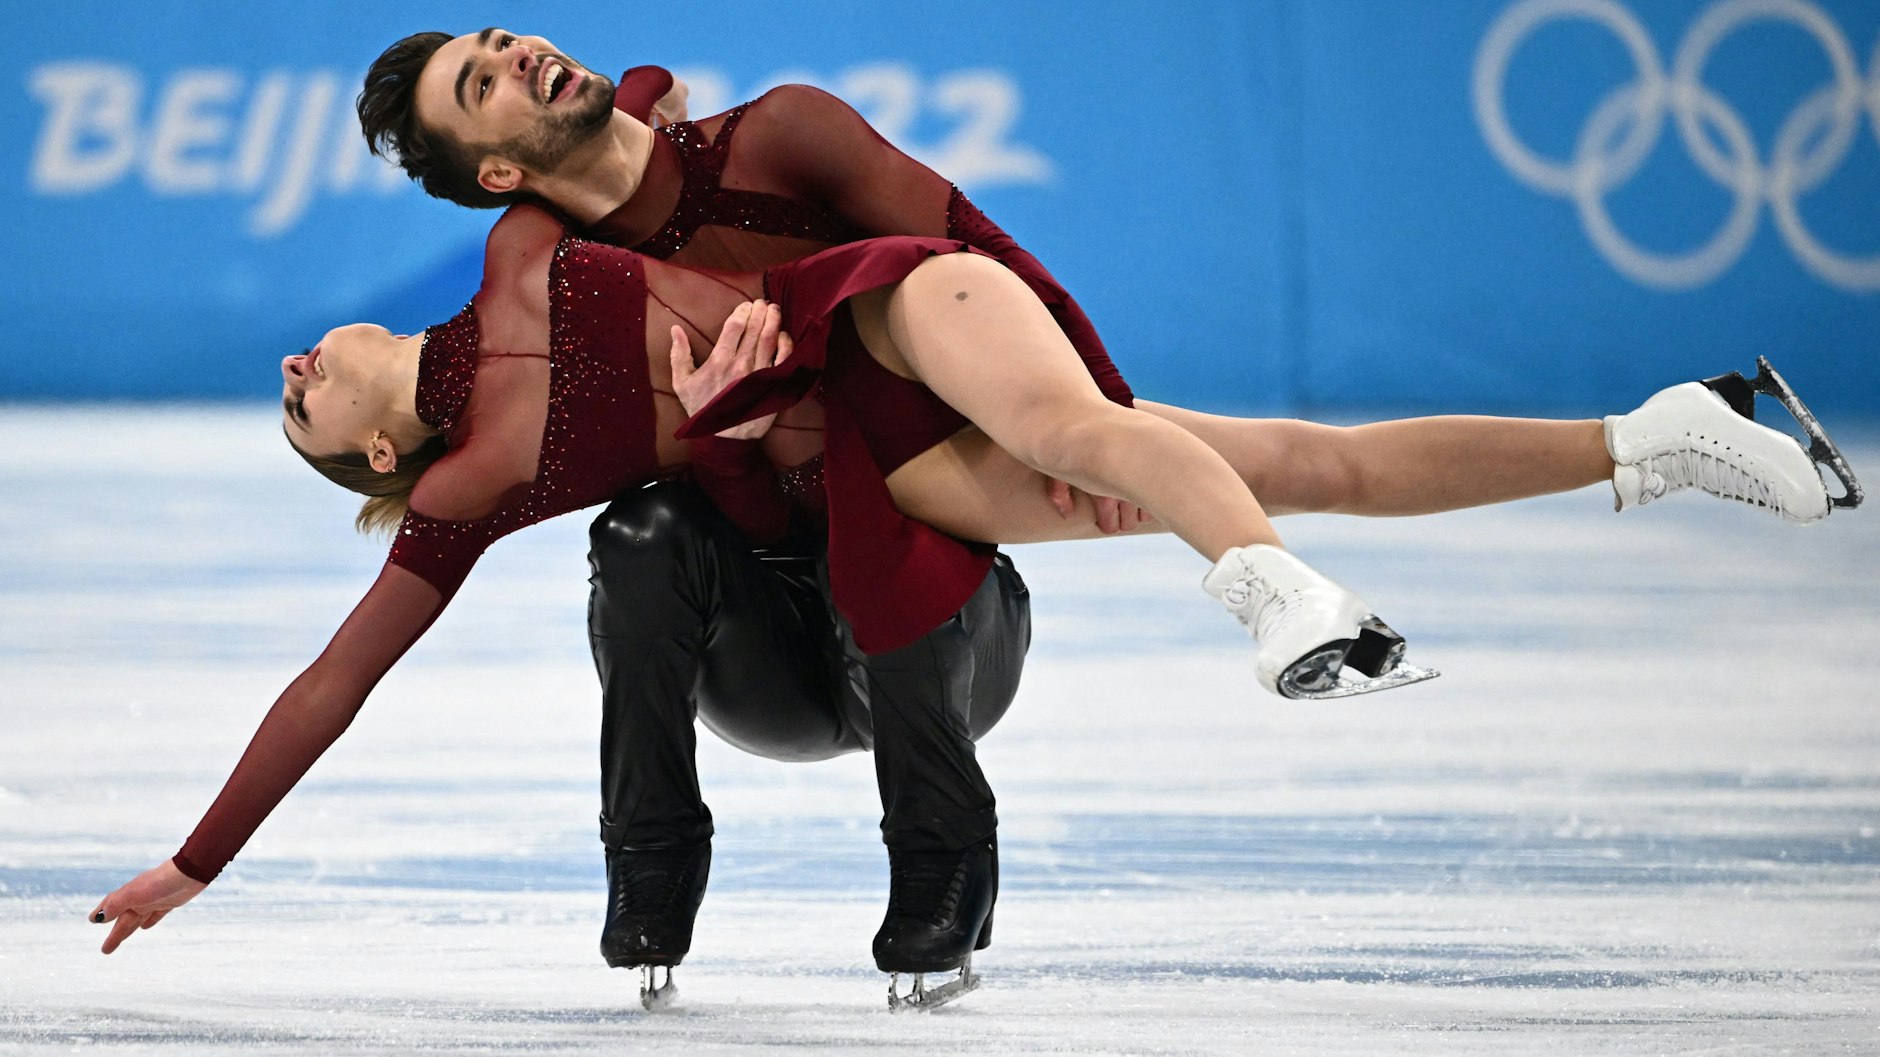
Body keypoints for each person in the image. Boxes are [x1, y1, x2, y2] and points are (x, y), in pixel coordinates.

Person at [91, 205, 1854, 1006]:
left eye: (294, 375)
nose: (293, 363)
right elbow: (338, 677)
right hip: (863, 514)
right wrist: (205, 855)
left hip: (883, 357)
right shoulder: (475, 480)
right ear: (387, 447)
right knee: (1278, 452)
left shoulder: (519, 244)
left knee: (1225, 451)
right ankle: (1652, 438)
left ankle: (1518, 495)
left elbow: (713, 163)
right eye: (299, 407)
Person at [350, 26, 1156, 1002]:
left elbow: (988, 257)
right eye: (482, 81)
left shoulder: (743, 147)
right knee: (640, 533)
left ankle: (942, 865)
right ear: (502, 170)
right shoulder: (557, 279)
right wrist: (723, 442)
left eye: (502, 42)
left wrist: (1096, 421)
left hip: (944, 630)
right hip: (772, 661)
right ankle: (651, 867)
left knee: (881, 532)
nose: (519, 57)